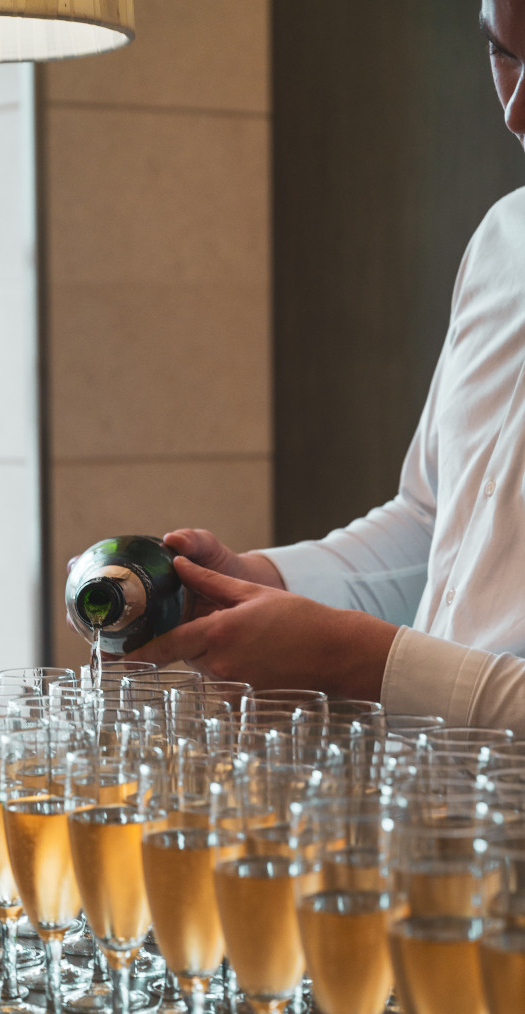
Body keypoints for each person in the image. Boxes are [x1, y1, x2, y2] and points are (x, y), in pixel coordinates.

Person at [120, 0, 525, 735]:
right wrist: (259, 582)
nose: (517, 113)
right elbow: (440, 526)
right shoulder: (504, 239)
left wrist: (357, 661)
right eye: (505, 56)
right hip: (430, 813)